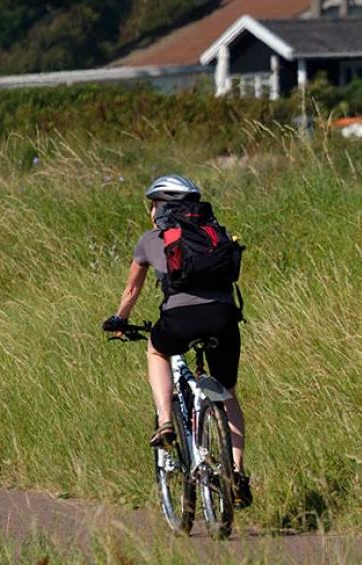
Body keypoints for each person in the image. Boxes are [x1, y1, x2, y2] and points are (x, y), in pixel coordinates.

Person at [104, 174, 252, 508]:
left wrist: (119, 320)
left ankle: (166, 421)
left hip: (179, 321)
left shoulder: (150, 240)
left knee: (156, 349)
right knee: (227, 395)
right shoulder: (217, 233)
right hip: (224, 318)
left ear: (160, 207)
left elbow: (131, 290)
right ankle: (237, 471)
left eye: (152, 205)